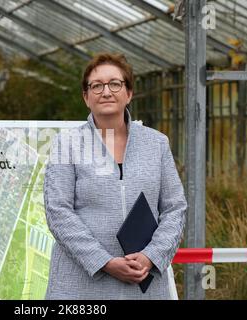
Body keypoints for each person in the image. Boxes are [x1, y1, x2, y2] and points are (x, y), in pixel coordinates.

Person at [43, 53, 187, 299]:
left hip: (144, 285)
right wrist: (104, 261)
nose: (106, 91)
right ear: (86, 98)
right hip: (81, 288)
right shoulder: (66, 144)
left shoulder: (157, 143)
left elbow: (175, 208)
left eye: (115, 84)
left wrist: (151, 256)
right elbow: (58, 211)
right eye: (96, 86)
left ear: (128, 93)